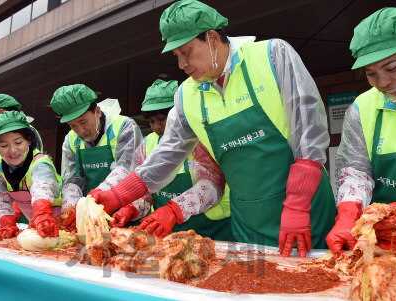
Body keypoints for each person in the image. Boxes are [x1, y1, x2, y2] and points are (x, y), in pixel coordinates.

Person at [92, 0, 337, 257]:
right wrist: (118, 195)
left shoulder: (272, 55)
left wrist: (298, 205)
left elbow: (309, 131)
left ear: (211, 38)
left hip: (305, 210)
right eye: (176, 56)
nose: (181, 64)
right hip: (249, 221)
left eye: (186, 52)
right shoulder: (186, 95)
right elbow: (167, 155)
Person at [327, 7, 396, 255]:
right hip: (388, 245)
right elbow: (355, 173)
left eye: (393, 67)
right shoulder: (362, 108)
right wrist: (347, 215)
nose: (383, 83)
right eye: (371, 74)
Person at [111, 79, 230, 239]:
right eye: (151, 121)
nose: (156, 126)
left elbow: (211, 186)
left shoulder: (200, 138)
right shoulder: (147, 145)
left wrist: (174, 210)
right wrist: (132, 209)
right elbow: (146, 196)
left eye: (161, 119)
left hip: (212, 230)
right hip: (166, 233)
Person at [50, 84, 142, 230]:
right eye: (73, 125)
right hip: (91, 218)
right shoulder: (70, 140)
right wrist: (71, 213)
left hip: (126, 211)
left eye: (83, 122)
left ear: (97, 111)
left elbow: (126, 169)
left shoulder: (124, 126)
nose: (80, 130)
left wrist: (92, 200)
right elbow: (72, 180)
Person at [0, 111, 63, 238]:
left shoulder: (40, 163)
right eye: (4, 145)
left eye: (18, 143)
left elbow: (42, 186)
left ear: (28, 140)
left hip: (59, 222)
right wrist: (7, 223)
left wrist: (42, 213)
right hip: (36, 224)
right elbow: (0, 199)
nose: (13, 150)